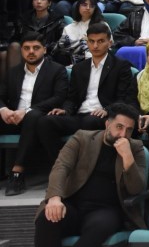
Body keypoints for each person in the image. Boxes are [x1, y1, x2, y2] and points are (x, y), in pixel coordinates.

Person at [34, 103, 146, 247]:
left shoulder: (135, 148)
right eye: (119, 127)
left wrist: (128, 158)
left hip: (106, 210)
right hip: (74, 204)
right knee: (46, 219)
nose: (123, 134)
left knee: (102, 225)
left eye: (129, 130)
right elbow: (61, 167)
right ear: (107, 124)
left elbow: (136, 188)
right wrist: (54, 198)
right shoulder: (82, 138)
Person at [37, 23, 138, 163]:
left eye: (100, 41)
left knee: (91, 121)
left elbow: (123, 98)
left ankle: (84, 166)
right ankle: (61, 163)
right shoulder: (79, 68)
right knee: (45, 121)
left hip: (102, 116)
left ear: (110, 42)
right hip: (79, 115)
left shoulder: (121, 66)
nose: (95, 46)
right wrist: (65, 110)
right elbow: (72, 98)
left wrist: (107, 110)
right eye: (91, 41)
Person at [0, 33, 68, 195]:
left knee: (34, 116)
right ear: (22, 51)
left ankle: (18, 171)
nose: (31, 51)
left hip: (38, 118)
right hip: (13, 117)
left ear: (44, 50)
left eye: (36, 48)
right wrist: (4, 110)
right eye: (27, 48)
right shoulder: (13, 72)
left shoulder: (56, 70)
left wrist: (27, 111)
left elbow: (59, 97)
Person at [52, 0, 106, 66]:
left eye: (91, 6)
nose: (88, 8)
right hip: (68, 62)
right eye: (84, 5)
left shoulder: (102, 26)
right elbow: (60, 48)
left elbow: (107, 47)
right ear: (78, 7)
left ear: (95, 8)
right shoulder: (68, 28)